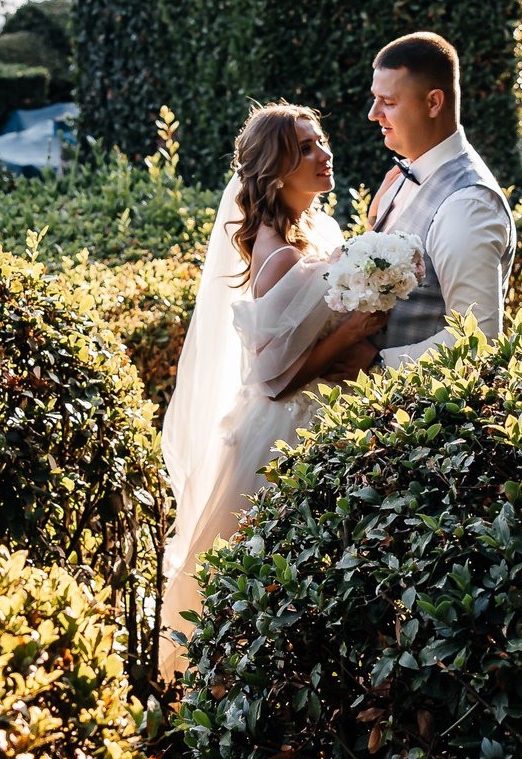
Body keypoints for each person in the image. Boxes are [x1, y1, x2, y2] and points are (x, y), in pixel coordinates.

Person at [158, 103, 386, 679]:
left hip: (309, 415)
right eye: (305, 149)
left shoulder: (310, 231)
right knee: (259, 579)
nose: (323, 154)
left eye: (321, 141)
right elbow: (273, 375)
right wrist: (353, 335)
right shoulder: (279, 252)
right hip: (284, 430)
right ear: (275, 171)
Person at [360, 31, 516, 369]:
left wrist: (376, 363)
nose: (373, 114)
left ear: (433, 103)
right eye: (375, 99)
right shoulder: (406, 173)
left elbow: (479, 341)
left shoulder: (468, 205)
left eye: (389, 102)